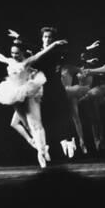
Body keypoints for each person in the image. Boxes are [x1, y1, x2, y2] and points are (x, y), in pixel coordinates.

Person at [0, 41, 65, 167]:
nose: (14, 55)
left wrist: (54, 44)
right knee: (26, 125)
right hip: (13, 93)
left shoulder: (27, 62)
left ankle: (41, 153)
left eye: (17, 53)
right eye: (12, 53)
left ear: (22, 52)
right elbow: (1, 57)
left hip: (26, 92)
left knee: (36, 125)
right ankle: (42, 148)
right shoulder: (10, 61)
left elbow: (41, 53)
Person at [36, 26, 77, 158]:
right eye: (45, 37)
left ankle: (70, 140)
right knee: (46, 116)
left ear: (53, 39)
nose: (47, 39)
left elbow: (72, 51)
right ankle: (46, 147)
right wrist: (19, 37)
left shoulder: (56, 52)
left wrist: (89, 49)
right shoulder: (38, 51)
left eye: (49, 37)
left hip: (56, 86)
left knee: (64, 113)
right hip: (43, 88)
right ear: (42, 38)